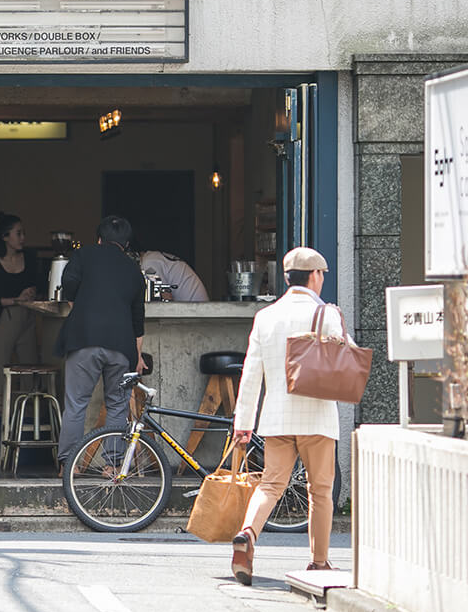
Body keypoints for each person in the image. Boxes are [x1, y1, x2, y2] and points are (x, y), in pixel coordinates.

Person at [230, 247, 346, 585]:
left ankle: (248, 534)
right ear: (316, 276)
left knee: (270, 484)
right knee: (320, 490)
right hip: (317, 417)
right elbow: (344, 355)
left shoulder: (266, 316)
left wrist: (243, 424)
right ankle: (319, 562)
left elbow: (250, 374)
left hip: (276, 418)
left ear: (286, 278)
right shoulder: (326, 314)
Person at [54, 216, 148, 468]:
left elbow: (68, 283)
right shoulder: (133, 270)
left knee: (76, 404)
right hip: (121, 345)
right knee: (117, 405)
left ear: (98, 239)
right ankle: (113, 467)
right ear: (126, 245)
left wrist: (80, 309)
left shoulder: (84, 255)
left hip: (83, 340)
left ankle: (68, 466)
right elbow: (138, 320)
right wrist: (137, 356)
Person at [0, 212, 41, 466]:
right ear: (5, 237)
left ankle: (30, 436)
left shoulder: (32, 259)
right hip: (5, 318)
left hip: (28, 317)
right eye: (18, 233)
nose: (23, 238)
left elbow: (37, 286)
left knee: (31, 373)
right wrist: (16, 298)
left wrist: (30, 293)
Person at [139, 250, 209, 302]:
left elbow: (165, 301)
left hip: (195, 314)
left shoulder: (148, 263)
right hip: (195, 310)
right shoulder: (153, 258)